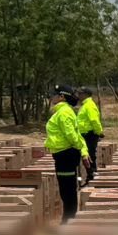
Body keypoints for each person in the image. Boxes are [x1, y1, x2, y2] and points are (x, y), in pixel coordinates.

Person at [45, 85, 88, 223]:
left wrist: (78, 149)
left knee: (67, 190)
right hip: (65, 154)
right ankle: (69, 219)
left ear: (62, 97)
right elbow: (75, 134)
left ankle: (68, 220)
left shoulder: (63, 112)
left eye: (54, 94)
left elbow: (71, 135)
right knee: (67, 189)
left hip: (66, 155)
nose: (51, 97)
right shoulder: (63, 111)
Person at [76, 86, 104, 181]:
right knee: (86, 154)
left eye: (80, 94)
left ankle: (92, 174)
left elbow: (94, 120)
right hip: (84, 134)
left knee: (90, 154)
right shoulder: (85, 105)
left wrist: (99, 132)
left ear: (86, 95)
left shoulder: (89, 105)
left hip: (90, 134)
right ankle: (89, 174)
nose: (78, 96)